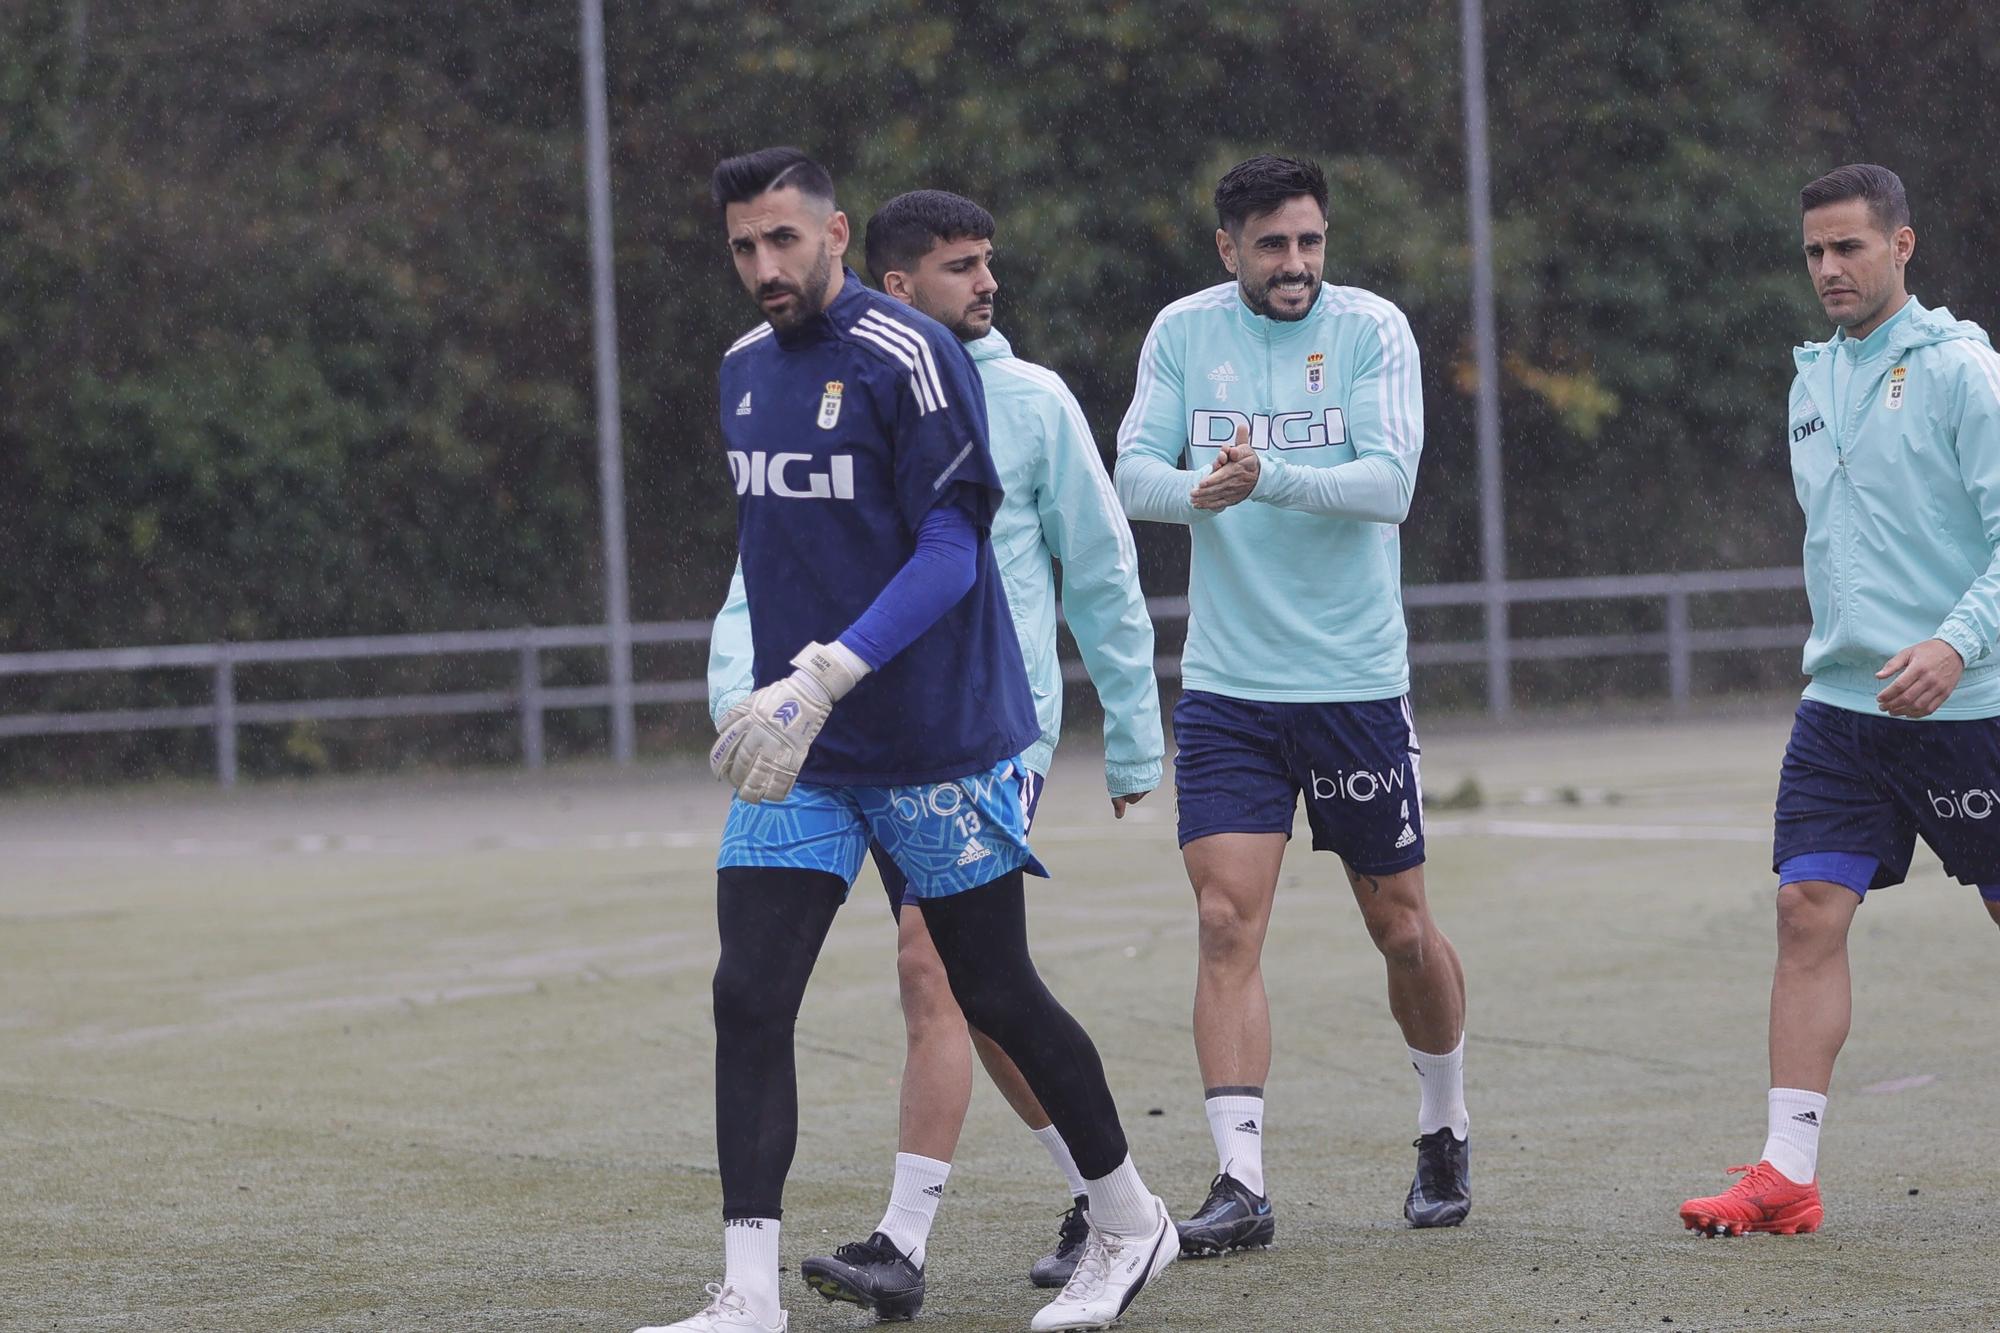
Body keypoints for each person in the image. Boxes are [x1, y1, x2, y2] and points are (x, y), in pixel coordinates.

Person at [637, 147, 1174, 1333]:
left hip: (936, 740)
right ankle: (747, 1294)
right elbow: (772, 557)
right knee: (748, 993)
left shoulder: (912, 355)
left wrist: (829, 670)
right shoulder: (737, 372)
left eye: (784, 239)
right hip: (807, 754)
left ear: (835, 235)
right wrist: (760, 689)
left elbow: (950, 550)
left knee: (992, 989)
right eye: (742, 246)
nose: (763, 266)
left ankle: (1131, 1222)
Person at [1115, 153, 1471, 1255]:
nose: (1295, 264)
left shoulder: (1369, 329)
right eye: (1271, 244)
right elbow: (1131, 475)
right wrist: (1197, 491)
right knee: (1225, 921)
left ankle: (1442, 1121)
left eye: (1309, 241)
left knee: (1399, 927)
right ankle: (1237, 1180)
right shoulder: (1181, 333)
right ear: (1227, 248)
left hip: (1354, 683)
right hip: (1227, 686)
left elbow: (1387, 486)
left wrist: (1262, 473)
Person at [1680, 163, 2000, 1239]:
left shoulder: (1961, 372)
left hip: (1970, 706)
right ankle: (1785, 1173)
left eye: (1848, 247)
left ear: (1900, 246)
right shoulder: (1808, 378)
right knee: (1802, 909)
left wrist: (1955, 646)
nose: (1827, 268)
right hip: (1840, 707)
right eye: (1813, 251)